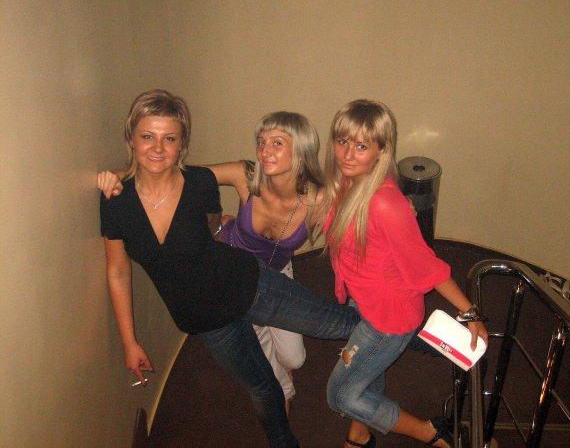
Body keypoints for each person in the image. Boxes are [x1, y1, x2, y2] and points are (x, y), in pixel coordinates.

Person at [99, 89, 359, 448]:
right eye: (147, 136)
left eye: (169, 138)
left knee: (340, 324)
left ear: (181, 144)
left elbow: (207, 233)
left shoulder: (200, 183)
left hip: (250, 283)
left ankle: (426, 337)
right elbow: (117, 271)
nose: (158, 148)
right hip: (204, 319)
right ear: (131, 139)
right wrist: (130, 342)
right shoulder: (115, 202)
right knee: (262, 387)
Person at [321, 100, 489, 448]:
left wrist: (470, 312)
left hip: (389, 318)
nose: (348, 154)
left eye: (362, 146)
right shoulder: (346, 183)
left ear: (381, 151)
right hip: (364, 301)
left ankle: (430, 432)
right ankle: (360, 433)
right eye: (342, 141)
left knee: (340, 395)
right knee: (366, 374)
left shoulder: (384, 203)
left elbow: (425, 266)